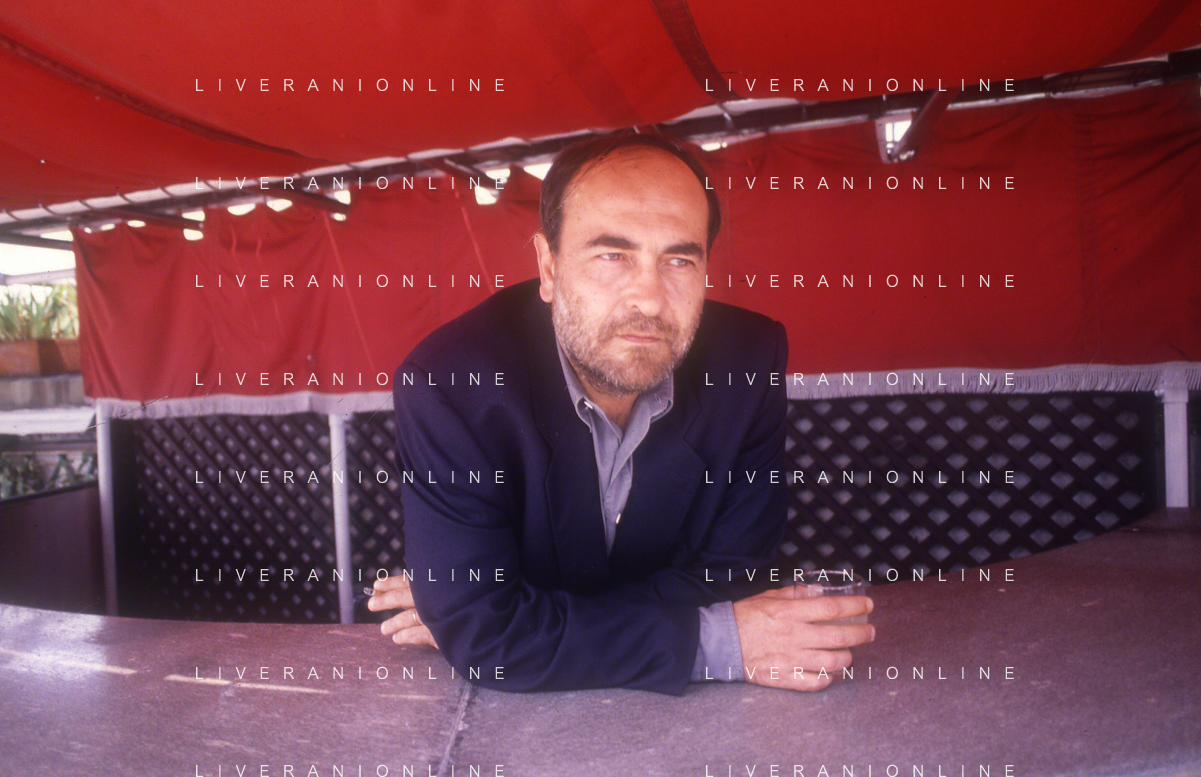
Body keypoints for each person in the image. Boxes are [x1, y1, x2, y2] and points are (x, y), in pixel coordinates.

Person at [369, 133, 873, 694]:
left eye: (679, 259)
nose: (649, 298)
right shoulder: (450, 383)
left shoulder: (748, 360)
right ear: (549, 266)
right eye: (613, 255)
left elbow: (733, 576)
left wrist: (510, 617)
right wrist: (719, 640)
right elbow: (490, 639)